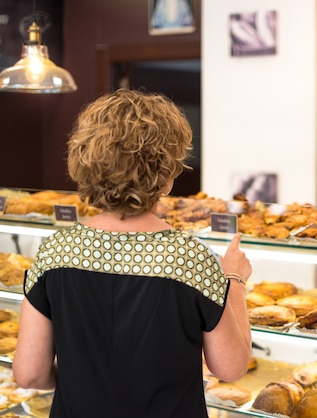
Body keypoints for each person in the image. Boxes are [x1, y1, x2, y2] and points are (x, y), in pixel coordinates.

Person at [13, 89, 252, 418]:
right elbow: (231, 367)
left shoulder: (55, 252)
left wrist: (78, 385)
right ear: (166, 176)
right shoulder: (190, 259)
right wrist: (235, 279)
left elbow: (29, 374)